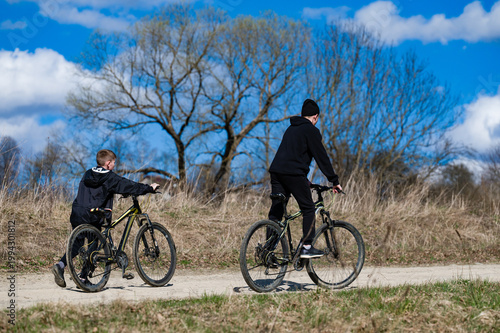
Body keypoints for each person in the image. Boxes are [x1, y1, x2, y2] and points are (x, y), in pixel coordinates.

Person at [51, 149, 160, 288]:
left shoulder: (88, 173)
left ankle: (60, 266)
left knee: (77, 244)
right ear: (108, 163)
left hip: (78, 211)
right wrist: (149, 188)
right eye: (114, 163)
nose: (114, 165)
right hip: (94, 214)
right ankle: (83, 278)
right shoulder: (109, 177)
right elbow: (128, 185)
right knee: (93, 245)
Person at [268, 99, 342, 258]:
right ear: (316, 116)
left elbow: (291, 155)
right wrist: (334, 180)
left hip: (276, 172)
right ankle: (307, 246)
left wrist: (305, 180)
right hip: (293, 174)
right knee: (309, 208)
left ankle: (268, 251)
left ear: (302, 115)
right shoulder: (311, 130)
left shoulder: (290, 129)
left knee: (276, 212)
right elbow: (322, 158)